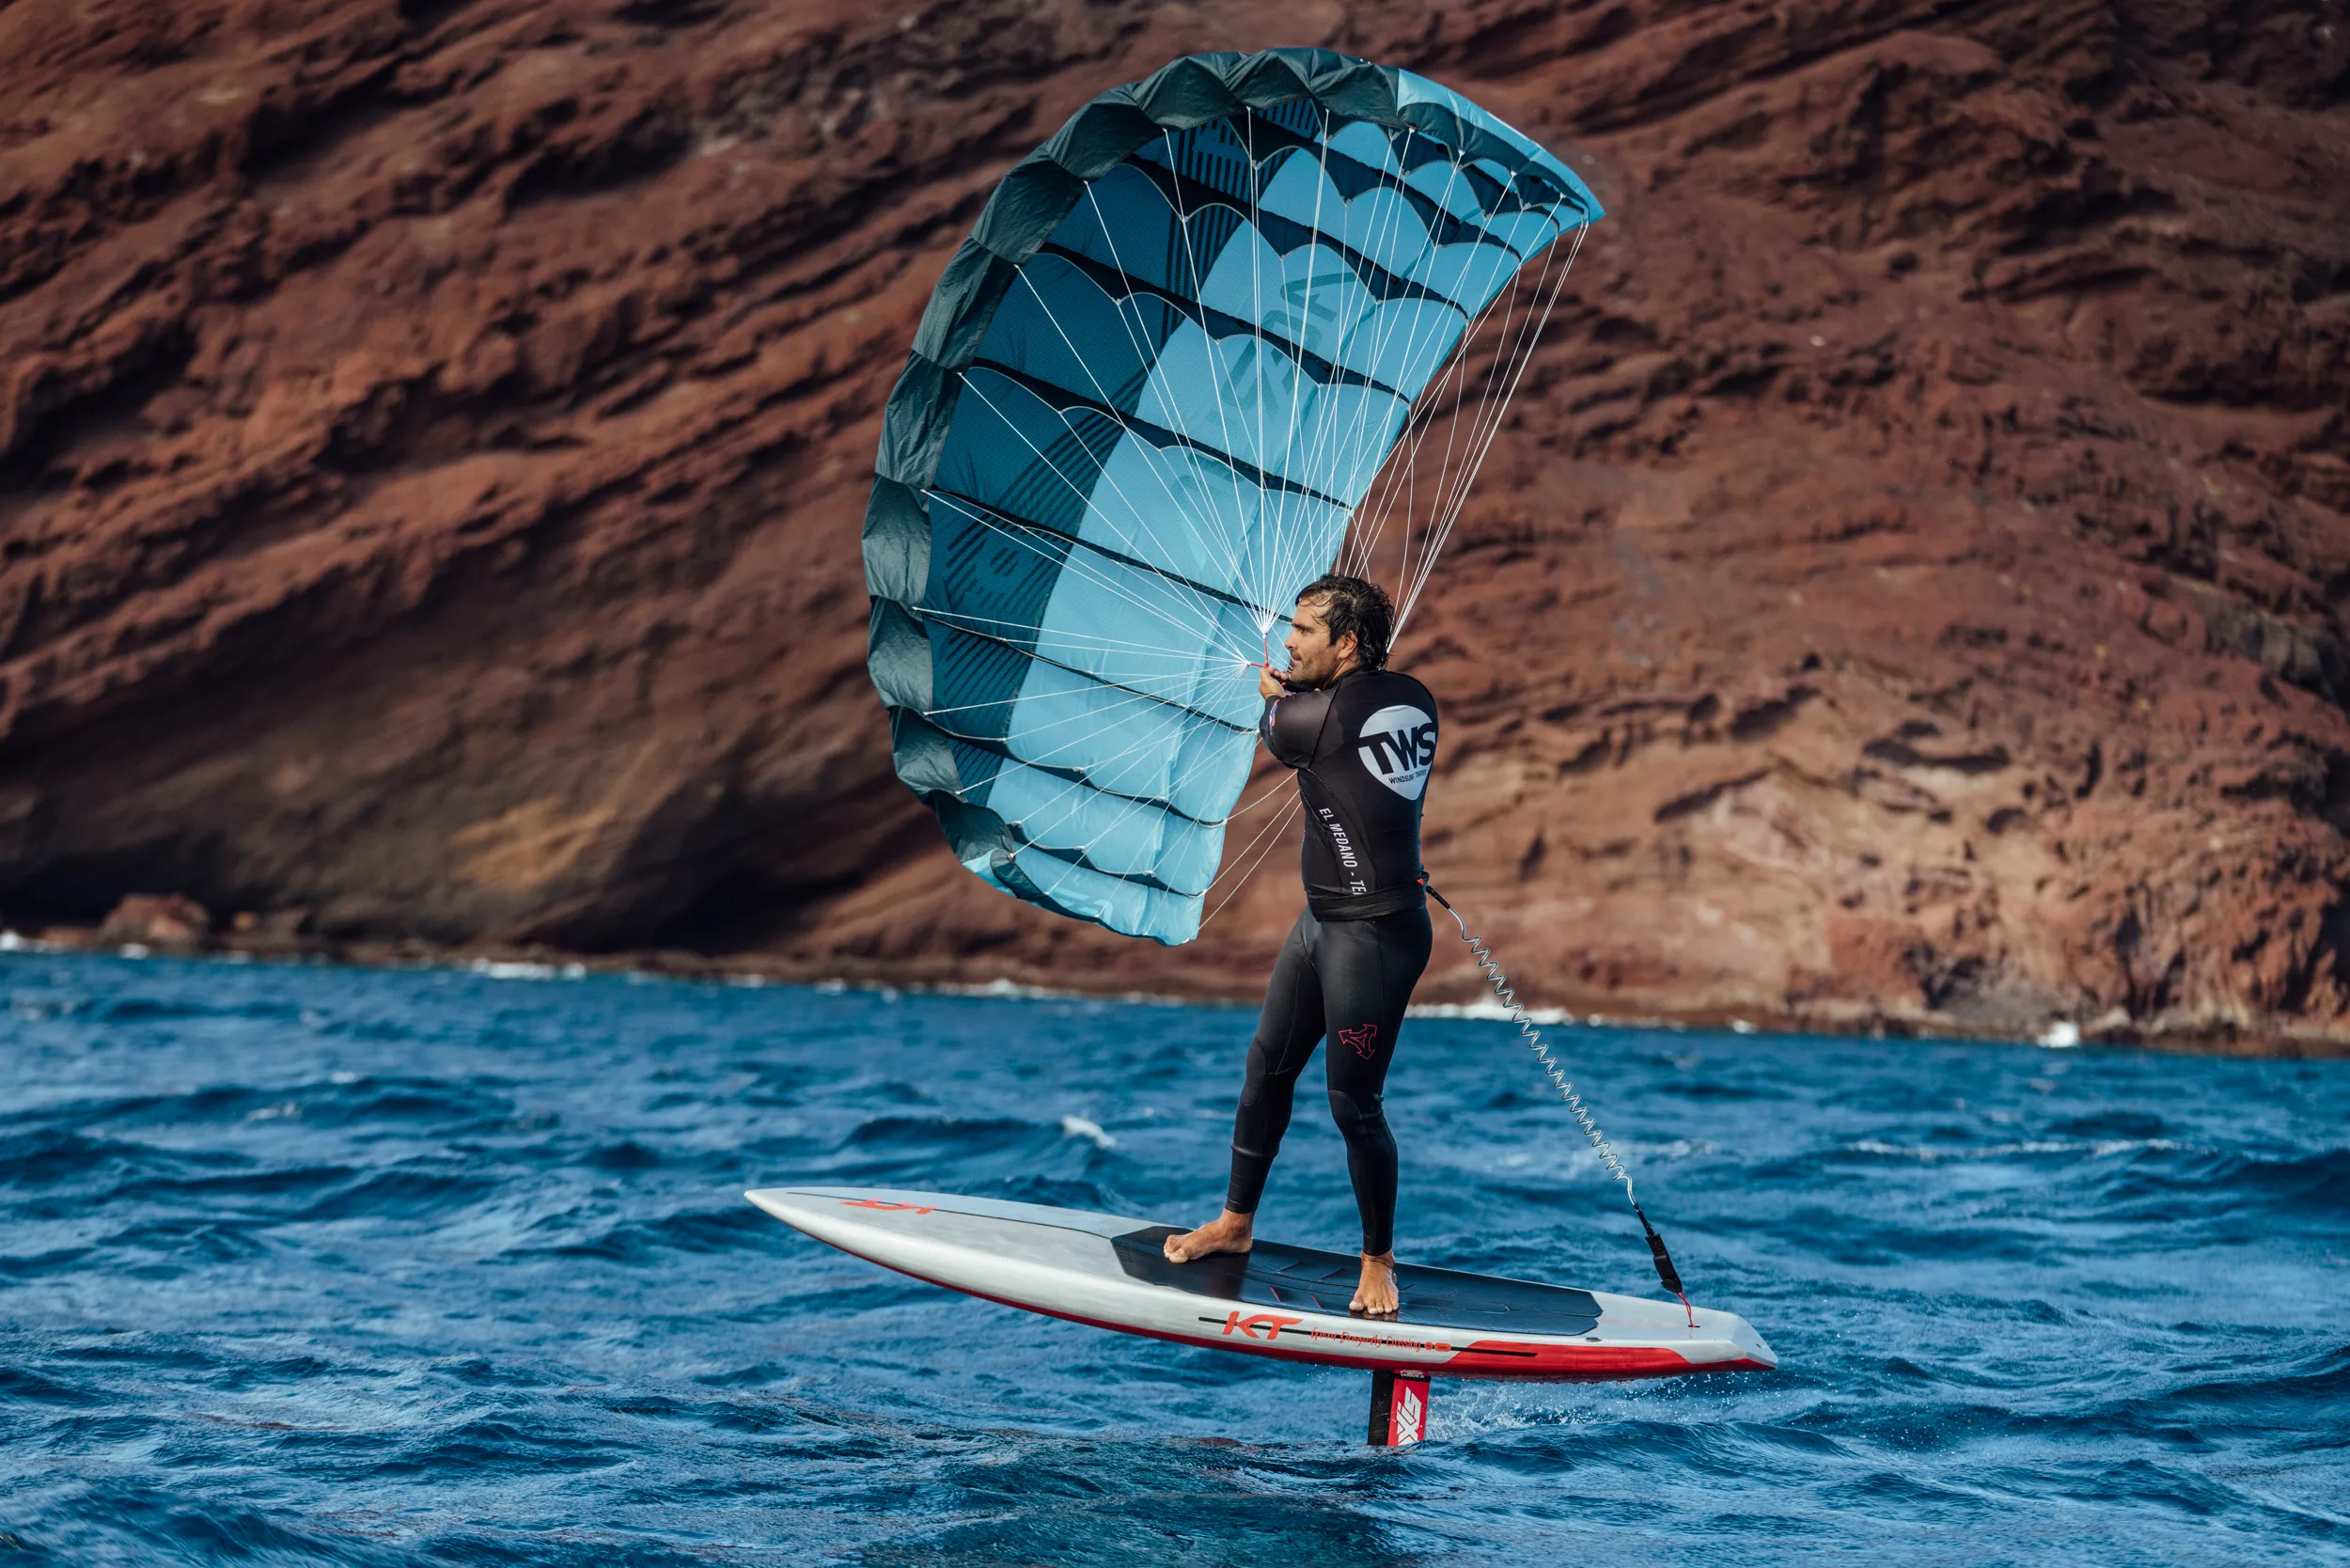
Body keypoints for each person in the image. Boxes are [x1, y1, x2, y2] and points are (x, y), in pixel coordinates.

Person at [1162, 573, 1438, 1317]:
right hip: (1324, 924)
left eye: (1304, 630)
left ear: (1346, 643)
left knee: (1355, 1103)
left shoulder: (1307, 722)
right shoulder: (1413, 695)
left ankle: (1378, 1263)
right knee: (1266, 1069)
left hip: (1373, 939)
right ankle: (1236, 1225)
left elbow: (1280, 724)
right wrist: (1292, 690)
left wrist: (1274, 696)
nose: (1285, 640)